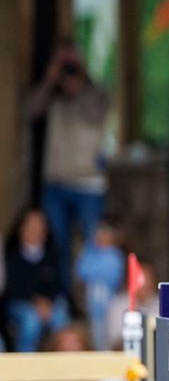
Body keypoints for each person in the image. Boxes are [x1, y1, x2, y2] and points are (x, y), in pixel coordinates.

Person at [28, 43, 110, 292]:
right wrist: (50, 79)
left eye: (72, 65)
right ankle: (64, 302)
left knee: (93, 250)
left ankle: (95, 305)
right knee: (57, 248)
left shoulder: (97, 94)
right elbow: (31, 109)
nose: (69, 72)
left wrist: (81, 81)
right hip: (55, 182)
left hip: (89, 185)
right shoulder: (53, 95)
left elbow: (96, 114)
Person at [3, 208, 72, 352]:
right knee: (31, 320)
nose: (35, 229)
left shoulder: (53, 254)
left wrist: (48, 302)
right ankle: (25, 367)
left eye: (40, 225)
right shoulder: (10, 254)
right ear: (21, 228)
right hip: (20, 304)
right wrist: (35, 302)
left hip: (49, 303)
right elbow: (10, 287)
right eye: (31, 224)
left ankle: (63, 364)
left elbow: (59, 285)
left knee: (61, 316)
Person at [73, 221, 125, 354]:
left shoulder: (115, 255)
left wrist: (94, 270)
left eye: (105, 234)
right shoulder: (91, 253)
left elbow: (112, 274)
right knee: (94, 334)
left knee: (108, 334)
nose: (101, 237)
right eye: (99, 234)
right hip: (92, 303)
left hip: (109, 301)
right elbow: (81, 271)